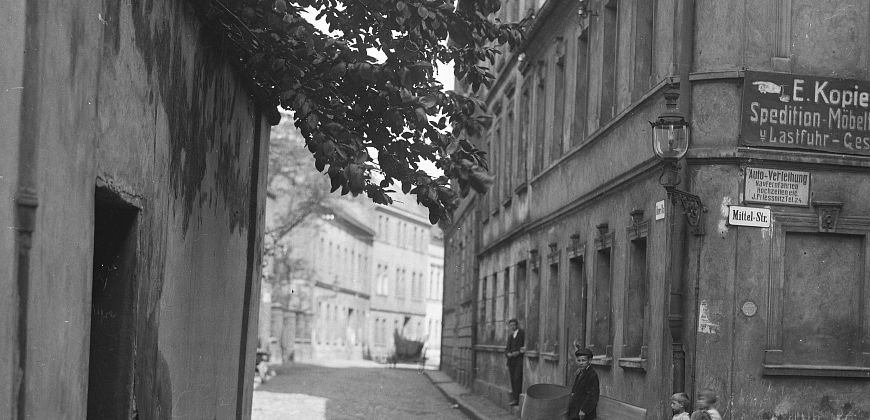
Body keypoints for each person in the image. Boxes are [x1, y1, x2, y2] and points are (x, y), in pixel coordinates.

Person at [567, 348, 599, 420]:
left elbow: (593, 395)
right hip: (576, 410)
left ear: (589, 361)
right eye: (579, 360)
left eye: (583, 360)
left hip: (585, 414)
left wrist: (584, 410)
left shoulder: (592, 375)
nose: (581, 363)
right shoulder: (580, 372)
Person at [505, 318, 524, 406]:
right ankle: (514, 398)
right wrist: (508, 354)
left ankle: (517, 399)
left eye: (514, 325)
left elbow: (524, 347)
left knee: (517, 379)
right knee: (512, 379)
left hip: (519, 361)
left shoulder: (522, 334)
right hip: (511, 361)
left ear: (517, 325)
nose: (512, 327)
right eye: (511, 325)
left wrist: (518, 352)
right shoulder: (510, 336)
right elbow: (506, 349)